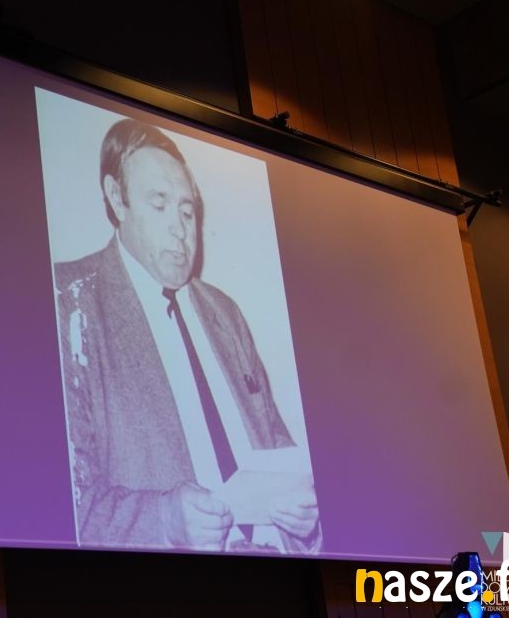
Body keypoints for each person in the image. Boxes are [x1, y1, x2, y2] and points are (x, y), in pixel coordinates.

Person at [54, 118, 319, 552]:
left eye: (187, 210)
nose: (180, 228)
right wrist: (161, 520)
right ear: (117, 199)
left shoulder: (226, 313)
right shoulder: (68, 302)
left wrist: (305, 511)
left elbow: (278, 451)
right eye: (159, 205)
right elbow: (64, 500)